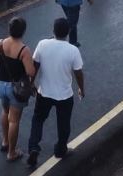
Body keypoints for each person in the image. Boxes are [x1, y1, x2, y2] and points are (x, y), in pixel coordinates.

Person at [26, 18, 85, 167]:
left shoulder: (42, 44)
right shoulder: (73, 50)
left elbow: (35, 67)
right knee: (63, 123)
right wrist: (81, 89)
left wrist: (31, 83)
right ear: (68, 32)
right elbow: (78, 72)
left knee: (38, 119)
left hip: (44, 92)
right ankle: (60, 150)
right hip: (64, 95)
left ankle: (33, 147)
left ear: (53, 30)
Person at [0, 17, 36, 162]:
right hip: (15, 88)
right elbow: (31, 72)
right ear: (23, 31)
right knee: (14, 120)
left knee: (5, 111)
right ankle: (11, 152)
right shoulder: (23, 50)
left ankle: (5, 141)